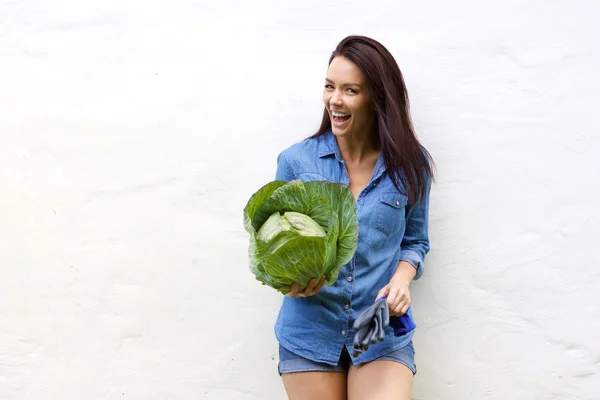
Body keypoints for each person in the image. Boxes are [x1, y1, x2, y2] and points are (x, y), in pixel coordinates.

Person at [273, 35, 434, 400]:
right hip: (310, 330)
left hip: (378, 330)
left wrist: (402, 280)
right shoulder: (296, 162)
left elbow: (415, 241)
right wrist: (293, 278)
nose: (335, 100)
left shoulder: (411, 165)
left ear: (378, 98)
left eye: (350, 90)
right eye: (330, 87)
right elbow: (275, 245)